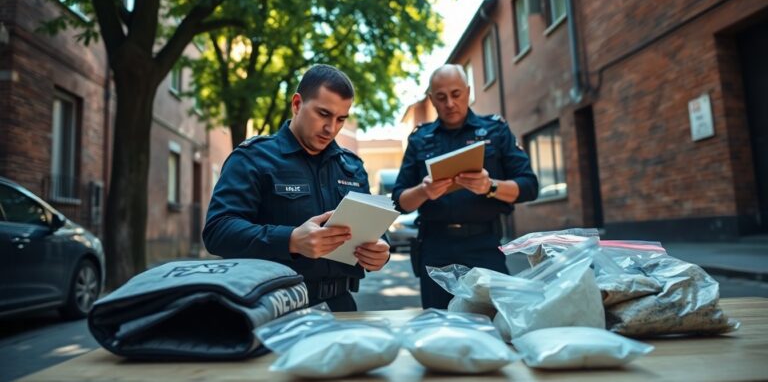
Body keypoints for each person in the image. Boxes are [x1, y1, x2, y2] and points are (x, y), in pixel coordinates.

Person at [203, 64, 390, 311]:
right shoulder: (253, 158)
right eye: (323, 114)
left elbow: (373, 229)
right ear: (297, 104)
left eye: (341, 119)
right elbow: (218, 231)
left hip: (341, 305)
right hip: (276, 307)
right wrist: (290, 240)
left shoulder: (351, 166)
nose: (331, 128)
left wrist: (381, 251)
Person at [392, 64, 539, 309]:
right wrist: (423, 191)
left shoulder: (495, 130)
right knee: (439, 323)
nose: (449, 103)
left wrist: (490, 186)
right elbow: (398, 201)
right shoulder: (419, 139)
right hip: (435, 246)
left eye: (456, 94)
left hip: (484, 244)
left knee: (492, 319)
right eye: (441, 97)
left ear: (468, 92)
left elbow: (529, 186)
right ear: (432, 99)